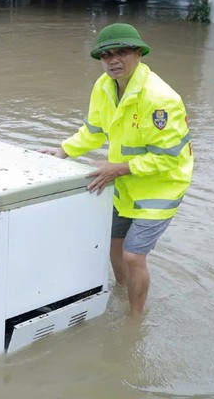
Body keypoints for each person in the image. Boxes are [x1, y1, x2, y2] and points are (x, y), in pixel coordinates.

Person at [41, 23, 193, 316]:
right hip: (124, 180)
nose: (113, 60)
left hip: (162, 184)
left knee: (133, 255)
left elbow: (170, 159)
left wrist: (119, 169)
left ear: (138, 54)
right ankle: (123, 291)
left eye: (122, 53)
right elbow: (94, 130)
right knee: (113, 244)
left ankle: (135, 319)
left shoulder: (160, 99)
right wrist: (64, 150)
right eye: (106, 55)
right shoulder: (103, 87)